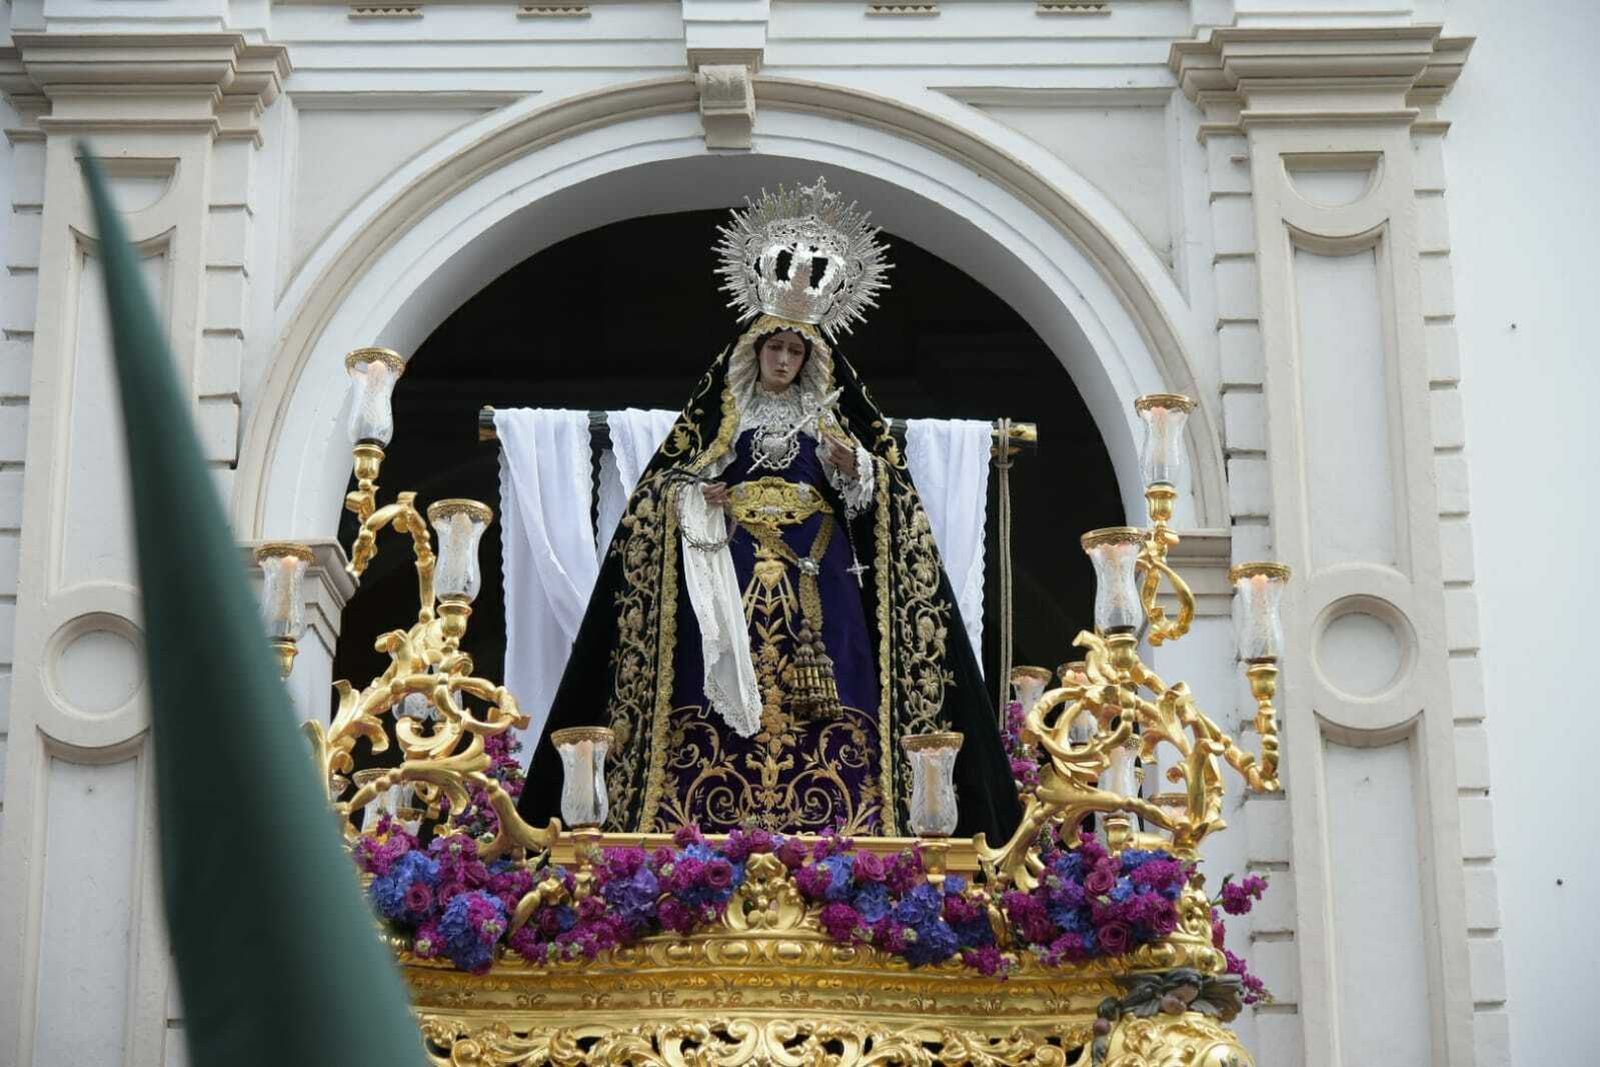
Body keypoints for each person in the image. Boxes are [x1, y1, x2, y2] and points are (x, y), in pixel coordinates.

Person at [518, 178, 1021, 843]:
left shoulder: (832, 421)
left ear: (810, 359)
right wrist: (700, 496)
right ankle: (701, 812)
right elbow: (665, 491)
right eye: (775, 348)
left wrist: (856, 468)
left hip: (820, 566)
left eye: (795, 351)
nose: (784, 359)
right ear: (754, 352)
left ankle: (845, 816)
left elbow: (885, 505)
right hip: (732, 563)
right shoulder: (724, 419)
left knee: (836, 672)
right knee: (713, 669)